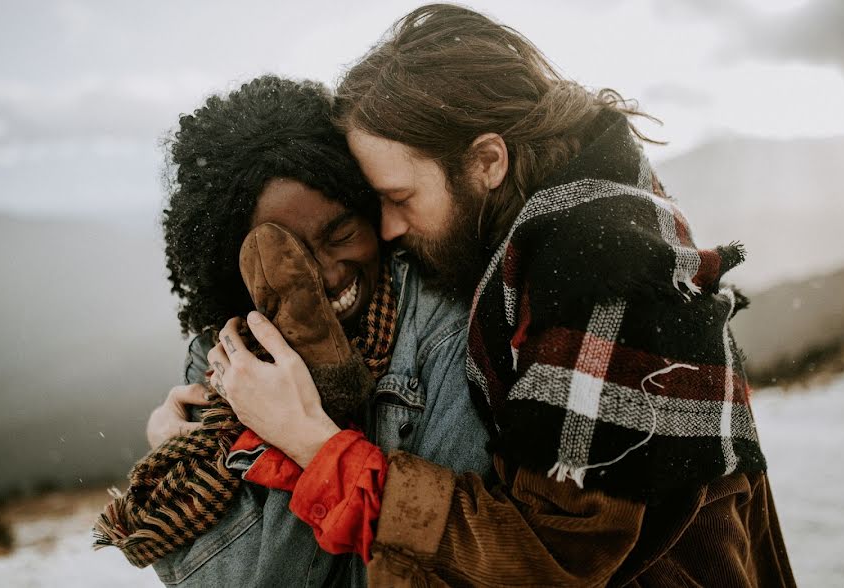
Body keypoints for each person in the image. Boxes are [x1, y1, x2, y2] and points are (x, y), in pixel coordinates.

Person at [211, 5, 796, 587]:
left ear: (487, 161)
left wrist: (316, 445)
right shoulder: (560, 232)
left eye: (401, 196)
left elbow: (546, 561)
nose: (388, 229)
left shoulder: (595, 273)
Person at [139, 75, 491, 586]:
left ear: (371, 212)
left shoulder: (447, 330)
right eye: (288, 258)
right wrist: (176, 456)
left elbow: (450, 562)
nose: (326, 275)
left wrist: (303, 431)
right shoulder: (227, 361)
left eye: (341, 233)